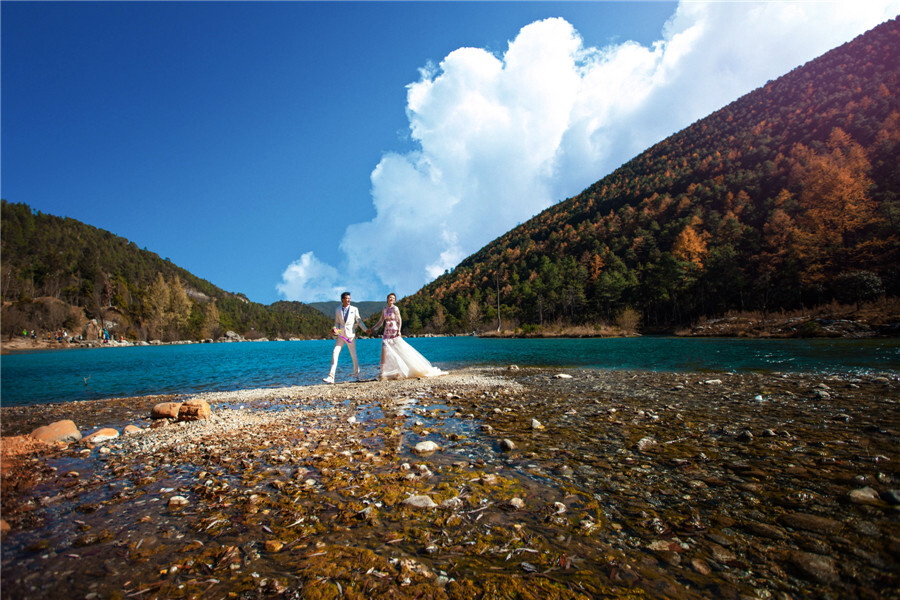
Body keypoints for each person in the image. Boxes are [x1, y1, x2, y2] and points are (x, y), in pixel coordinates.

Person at [368, 293, 445, 380]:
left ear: (394, 300)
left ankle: (401, 370)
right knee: (385, 349)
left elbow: (399, 319)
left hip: (394, 330)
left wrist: (399, 330)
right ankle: (384, 372)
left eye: (393, 298)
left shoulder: (395, 308)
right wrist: (373, 328)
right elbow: (381, 321)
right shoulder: (384, 309)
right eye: (390, 297)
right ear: (387, 299)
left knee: (397, 349)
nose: (391, 299)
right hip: (386, 332)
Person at [323, 292, 367, 384]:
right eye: (347, 298)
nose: (349, 300)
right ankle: (331, 377)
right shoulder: (338, 309)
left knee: (353, 356)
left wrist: (366, 330)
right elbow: (337, 323)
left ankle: (356, 376)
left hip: (350, 337)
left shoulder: (355, 309)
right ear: (342, 300)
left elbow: (359, 321)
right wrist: (335, 329)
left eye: (349, 298)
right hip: (341, 336)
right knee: (335, 353)